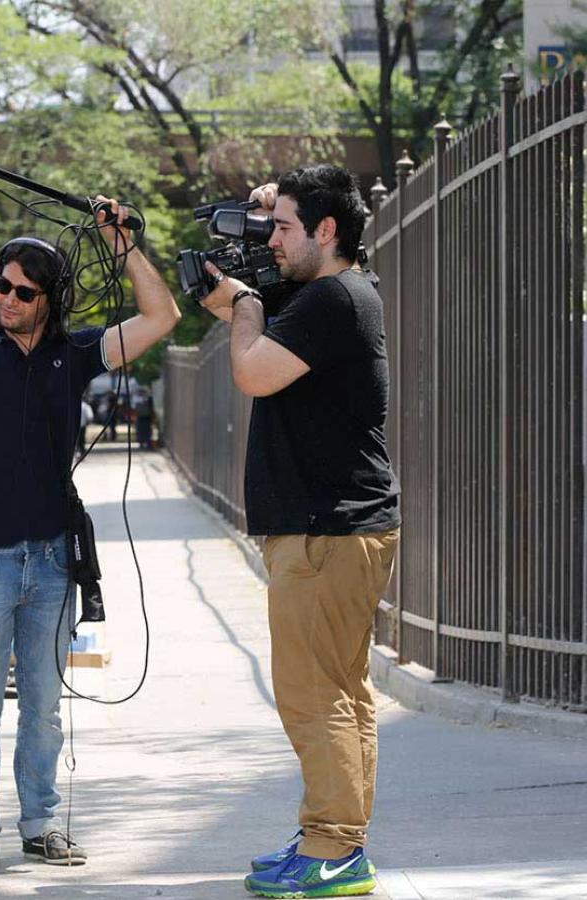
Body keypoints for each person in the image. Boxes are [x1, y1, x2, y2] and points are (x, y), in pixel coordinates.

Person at [0, 135, 180, 871]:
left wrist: (124, 249)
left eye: (23, 291)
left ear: (50, 301)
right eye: (0, 286)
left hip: (54, 559)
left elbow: (161, 319)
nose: (6, 300)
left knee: (47, 711)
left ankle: (43, 823)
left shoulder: (75, 354)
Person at [199, 166, 400, 899]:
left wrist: (244, 300)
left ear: (326, 231)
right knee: (342, 694)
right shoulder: (335, 296)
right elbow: (266, 321)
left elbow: (251, 371)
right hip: (341, 528)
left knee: (312, 695)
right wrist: (256, 270)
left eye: (284, 227)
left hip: (325, 533)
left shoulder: (335, 299)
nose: (270, 239)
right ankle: (331, 836)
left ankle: (336, 848)